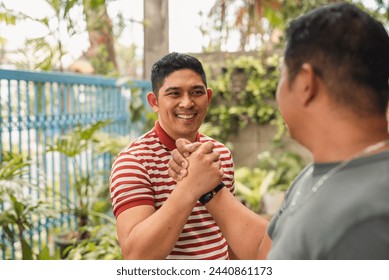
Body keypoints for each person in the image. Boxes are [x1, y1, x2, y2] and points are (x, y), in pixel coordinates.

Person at [168, 2, 389, 259]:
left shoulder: (369, 222)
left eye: (282, 75)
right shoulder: (316, 174)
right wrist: (209, 189)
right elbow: (268, 251)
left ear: (307, 83)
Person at [109, 52, 235, 259]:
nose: (187, 103)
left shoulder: (219, 153)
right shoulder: (133, 162)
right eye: (174, 94)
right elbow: (136, 256)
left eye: (196, 92)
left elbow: (231, 233)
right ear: (154, 101)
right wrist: (190, 187)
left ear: (208, 97)